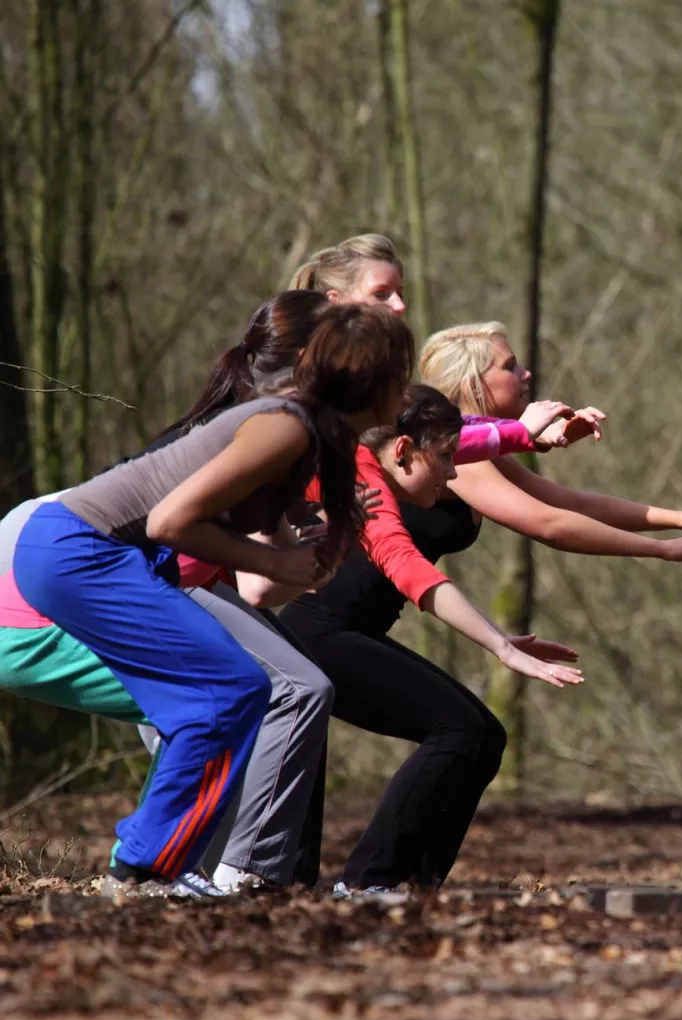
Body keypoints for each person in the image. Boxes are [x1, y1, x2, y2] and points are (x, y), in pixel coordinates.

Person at [11, 301, 412, 897]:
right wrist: (275, 562)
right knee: (231, 690)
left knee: (216, 698)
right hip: (77, 552)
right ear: (375, 380)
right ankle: (146, 872)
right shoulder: (285, 425)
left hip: (88, 555)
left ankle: (149, 868)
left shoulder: (314, 434)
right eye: (402, 376)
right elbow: (171, 522)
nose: (407, 392)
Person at [277, 385, 585, 896]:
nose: (451, 474)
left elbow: (483, 446)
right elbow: (412, 572)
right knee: (460, 727)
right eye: (443, 459)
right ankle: (370, 882)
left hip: (342, 632)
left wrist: (524, 436)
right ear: (404, 450)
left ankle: (407, 884)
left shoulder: (384, 468)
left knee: (483, 735)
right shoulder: (364, 479)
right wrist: (500, 649)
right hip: (317, 632)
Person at [419, 322, 682, 561]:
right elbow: (551, 525)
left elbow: (571, 504)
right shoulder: (459, 456)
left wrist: (679, 519)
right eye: (509, 367)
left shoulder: (481, 452)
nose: (526, 373)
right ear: (472, 385)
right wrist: (662, 549)